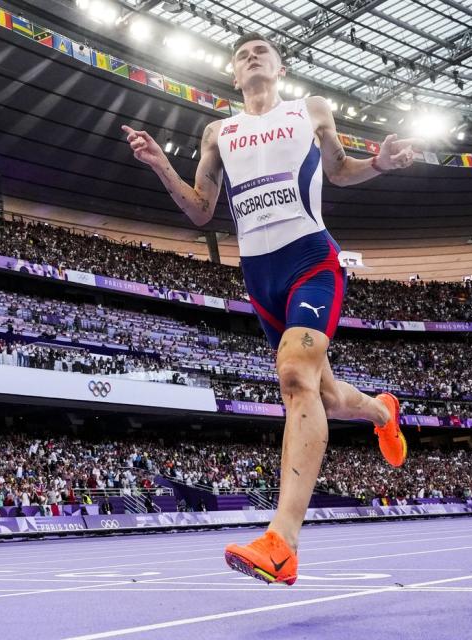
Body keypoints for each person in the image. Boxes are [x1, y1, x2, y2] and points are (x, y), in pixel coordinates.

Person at [123, 32, 417, 585]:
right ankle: (382, 411)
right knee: (325, 394)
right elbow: (200, 210)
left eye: (262, 51)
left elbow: (339, 170)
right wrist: (162, 165)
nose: (251, 56)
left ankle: (282, 540)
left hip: (310, 259)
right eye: (242, 55)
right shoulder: (219, 131)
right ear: (235, 77)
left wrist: (377, 163)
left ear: (280, 68)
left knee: (293, 376)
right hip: (260, 278)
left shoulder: (310, 110)